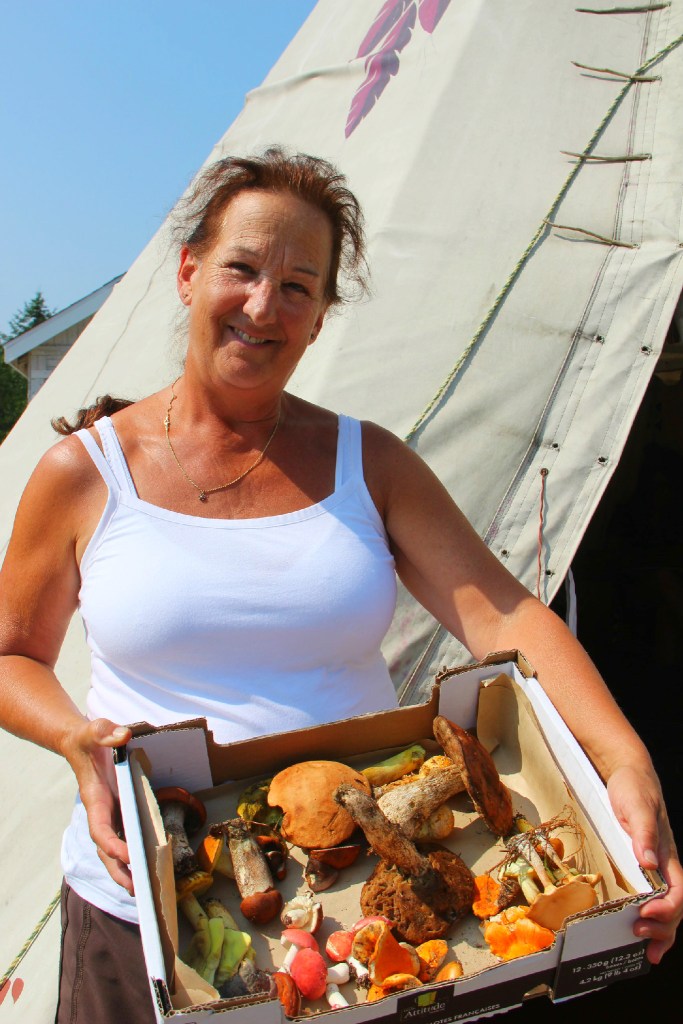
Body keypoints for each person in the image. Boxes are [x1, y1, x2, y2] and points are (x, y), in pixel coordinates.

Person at [0, 148, 679, 1023]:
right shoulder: (85, 471)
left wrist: (624, 760)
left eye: (297, 286)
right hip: (146, 901)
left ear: (320, 317)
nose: (262, 305)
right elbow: (11, 654)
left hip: (359, 908)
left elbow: (505, 613)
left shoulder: (372, 464)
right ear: (188, 272)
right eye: (241, 269)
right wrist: (74, 738)